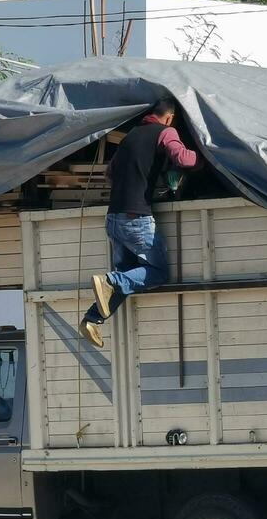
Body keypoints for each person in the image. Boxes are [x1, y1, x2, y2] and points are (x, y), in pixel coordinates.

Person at [78, 97, 199, 347]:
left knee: (129, 277)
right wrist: (205, 157)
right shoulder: (166, 132)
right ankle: (108, 280)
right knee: (157, 272)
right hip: (136, 218)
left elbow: (110, 173)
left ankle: (92, 319)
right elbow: (183, 159)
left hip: (114, 217)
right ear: (169, 117)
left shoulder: (129, 136)